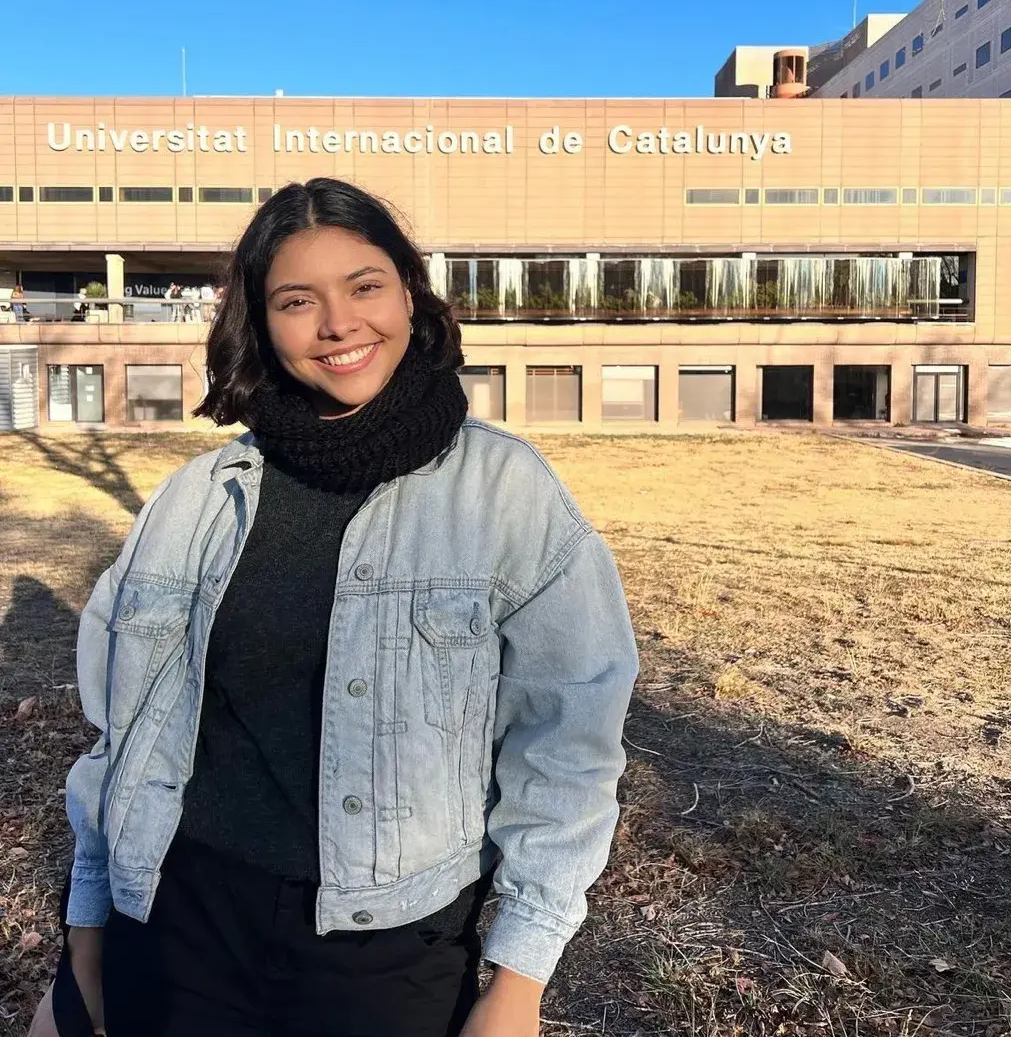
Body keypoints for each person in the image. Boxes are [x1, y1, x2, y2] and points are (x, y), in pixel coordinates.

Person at [30, 177, 638, 1037]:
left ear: (408, 294)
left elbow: (568, 741)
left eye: (364, 286)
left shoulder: (504, 493)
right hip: (174, 927)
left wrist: (518, 982)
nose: (338, 324)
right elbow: (118, 737)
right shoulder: (196, 498)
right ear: (259, 322)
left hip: (388, 950)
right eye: (296, 300)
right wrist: (85, 941)